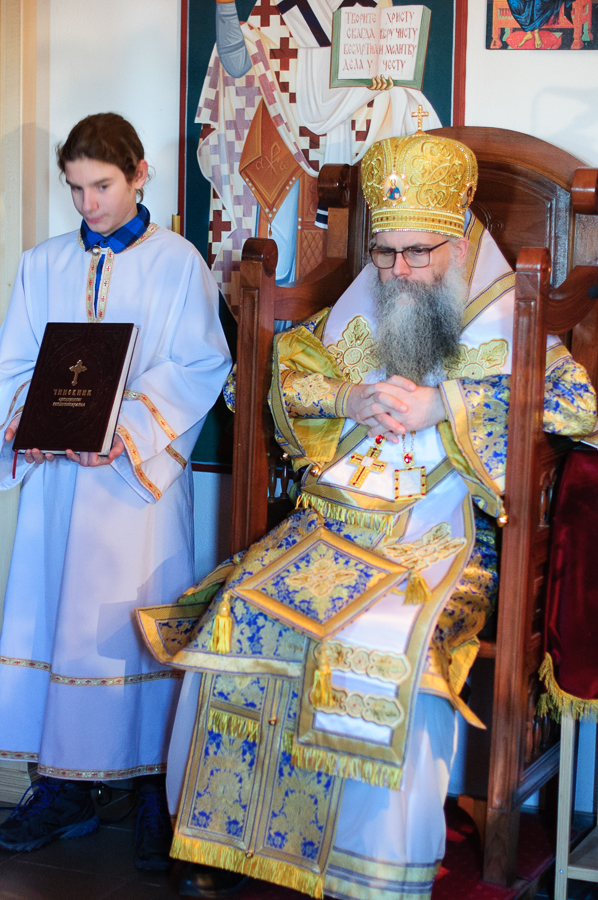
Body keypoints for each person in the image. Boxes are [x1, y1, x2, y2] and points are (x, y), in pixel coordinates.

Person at [137, 128, 597, 899]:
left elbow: (579, 406)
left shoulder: (509, 321)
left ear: (459, 244)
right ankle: (226, 840)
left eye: (418, 253)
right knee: (238, 607)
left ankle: (371, 865)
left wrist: (445, 404)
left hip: (440, 540)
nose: (398, 273)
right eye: (384, 254)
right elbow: (271, 381)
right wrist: (347, 396)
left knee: (382, 637)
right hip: (330, 528)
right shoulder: (361, 308)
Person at [0, 113, 232, 870]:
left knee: (135, 627)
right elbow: (14, 364)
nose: (88, 204)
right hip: (58, 485)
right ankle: (61, 789)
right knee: (54, 621)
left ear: (139, 174)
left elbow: (199, 364)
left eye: (101, 185)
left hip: (134, 489)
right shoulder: (42, 264)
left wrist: (123, 429)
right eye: (75, 188)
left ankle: (153, 789)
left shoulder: (178, 263)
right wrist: (24, 423)